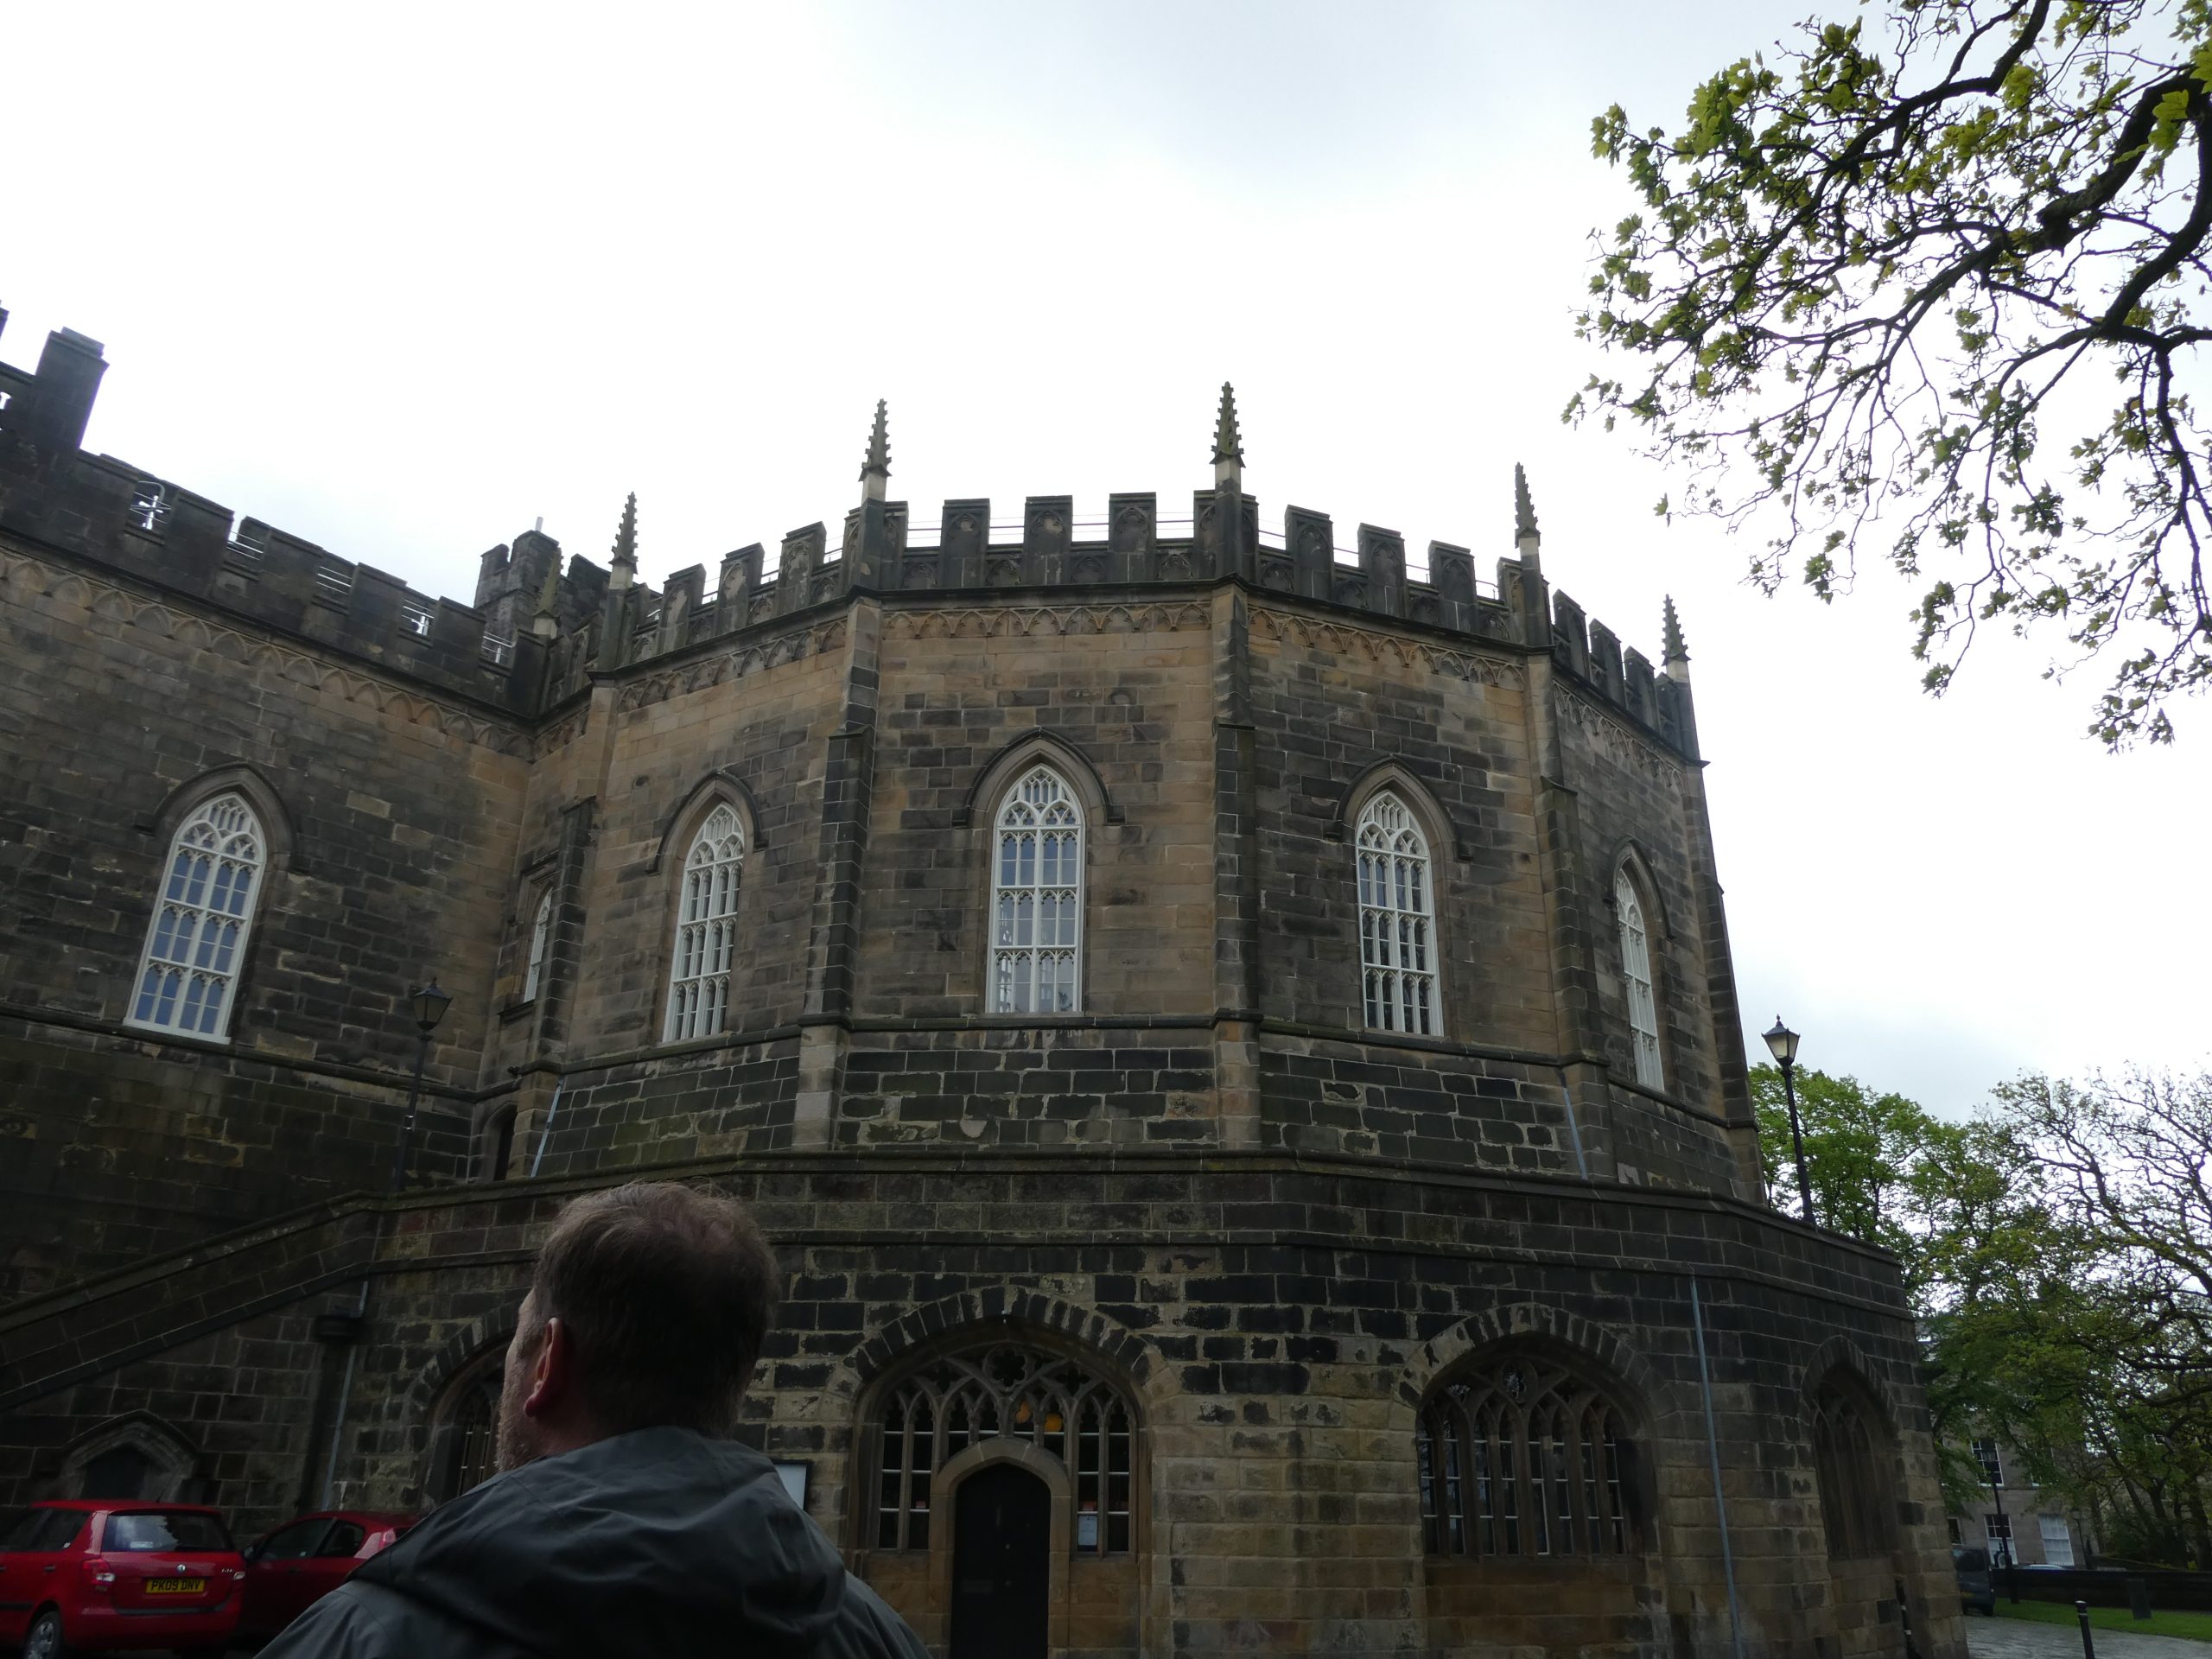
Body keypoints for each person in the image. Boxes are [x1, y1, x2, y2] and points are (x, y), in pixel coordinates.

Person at [264, 1181, 926, 1658]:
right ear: (738, 1379)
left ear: (548, 1360)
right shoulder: (873, 1632)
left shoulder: (366, 1633)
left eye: (520, 1344)